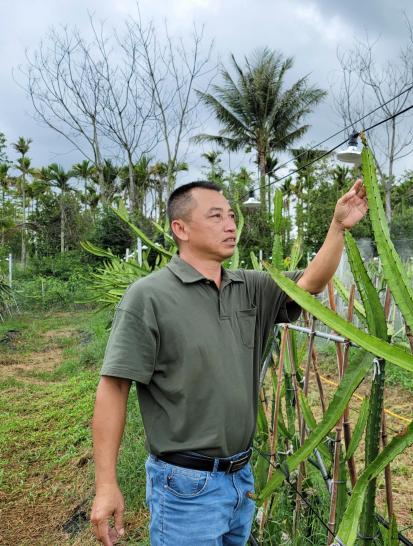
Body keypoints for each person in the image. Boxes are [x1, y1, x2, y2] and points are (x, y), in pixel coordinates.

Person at [90, 179, 368, 545]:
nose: (231, 224)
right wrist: (106, 484)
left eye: (232, 216)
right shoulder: (149, 297)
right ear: (181, 228)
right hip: (184, 487)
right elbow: (114, 387)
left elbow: (310, 284)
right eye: (216, 216)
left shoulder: (250, 287)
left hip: (241, 477)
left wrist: (337, 227)